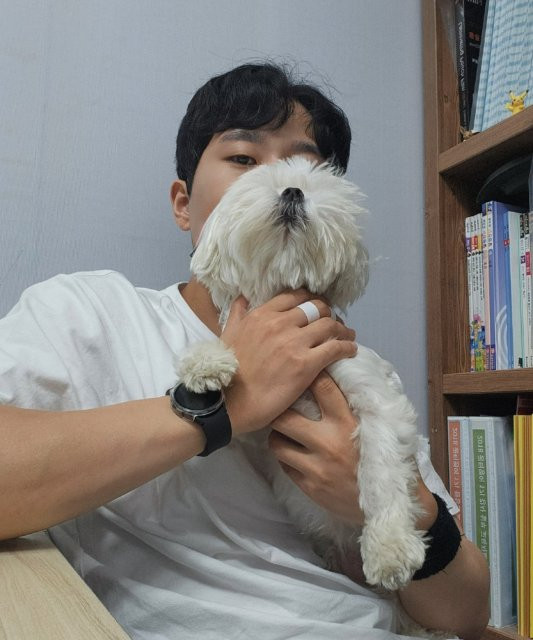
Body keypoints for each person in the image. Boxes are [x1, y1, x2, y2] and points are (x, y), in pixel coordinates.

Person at [0, 62, 489, 639]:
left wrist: (391, 505)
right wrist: (217, 408)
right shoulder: (88, 314)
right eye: (243, 158)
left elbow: (468, 613)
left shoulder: (349, 362)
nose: (281, 182)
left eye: (307, 166)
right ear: (184, 203)